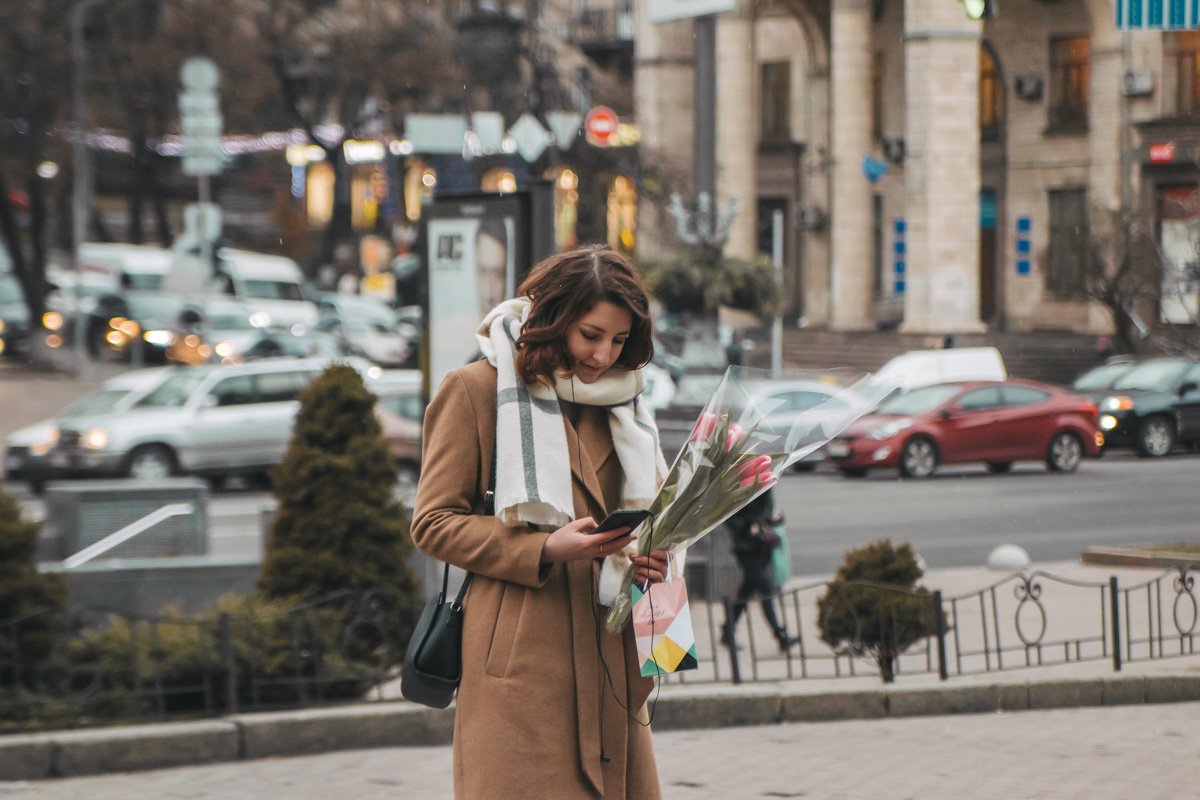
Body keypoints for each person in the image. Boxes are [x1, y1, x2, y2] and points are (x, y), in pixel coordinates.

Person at [411, 245, 672, 799]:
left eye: (620, 340)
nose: (604, 355)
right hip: (525, 654)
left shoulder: (625, 405)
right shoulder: (475, 390)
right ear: (552, 321)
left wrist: (655, 554)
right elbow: (432, 522)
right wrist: (545, 548)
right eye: (591, 335)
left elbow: (654, 516)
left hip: (612, 651)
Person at [721, 487, 798, 652]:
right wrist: (748, 526)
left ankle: (727, 631)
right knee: (765, 591)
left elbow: (769, 509)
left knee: (746, 592)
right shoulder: (736, 487)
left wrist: (768, 520)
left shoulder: (764, 485)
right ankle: (781, 636)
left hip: (761, 547)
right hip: (746, 549)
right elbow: (729, 517)